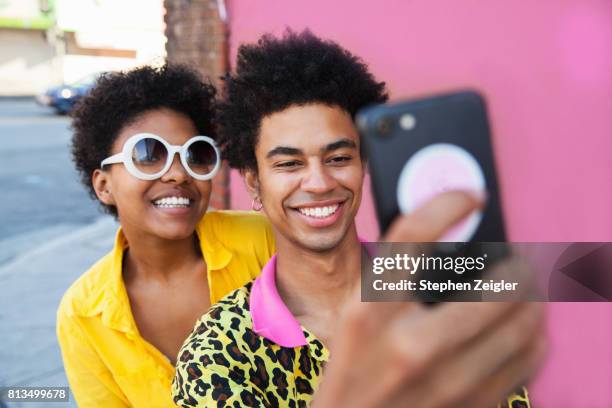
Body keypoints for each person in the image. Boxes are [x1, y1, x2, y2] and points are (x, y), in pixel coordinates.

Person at [172, 31, 544, 407]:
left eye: (338, 159)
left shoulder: (446, 297)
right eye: (289, 164)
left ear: (364, 164)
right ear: (254, 182)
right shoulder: (218, 352)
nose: (318, 182)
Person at [56, 64, 275, 407]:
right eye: (148, 154)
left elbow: (368, 268)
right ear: (104, 185)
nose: (177, 173)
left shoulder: (260, 238)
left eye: (195, 155)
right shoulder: (83, 312)